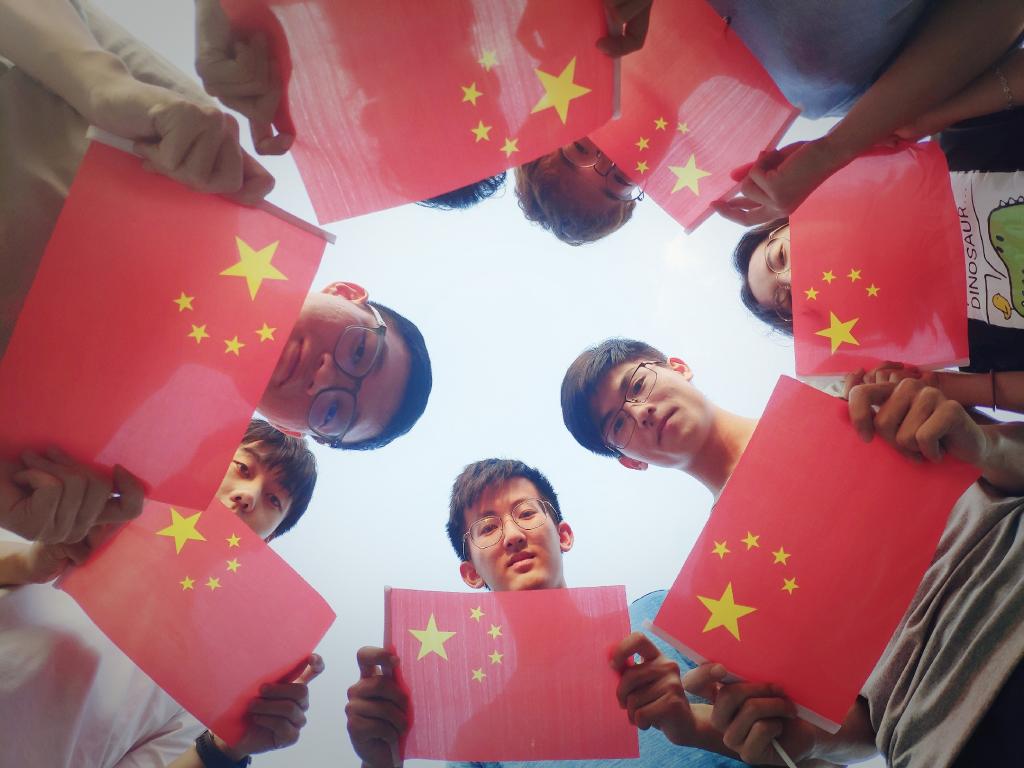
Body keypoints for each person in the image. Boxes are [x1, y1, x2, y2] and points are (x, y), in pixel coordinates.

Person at [561, 337, 1024, 766]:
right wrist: (802, 739)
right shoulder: (712, 599)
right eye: (617, 424)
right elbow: (860, 730)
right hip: (943, 740)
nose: (639, 411)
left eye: (637, 384)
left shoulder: (846, 398)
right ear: (631, 461)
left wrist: (983, 445)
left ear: (679, 367)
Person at [344, 458, 748, 768]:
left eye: (525, 513)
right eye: (487, 528)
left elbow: (784, 734)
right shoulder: (476, 739)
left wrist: (697, 726)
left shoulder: (662, 614)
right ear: (470, 573)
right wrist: (379, 762)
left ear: (564, 534)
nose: (513, 535)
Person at [0, 418, 324, 767]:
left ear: (268, 540)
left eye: (274, 500)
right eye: (242, 468)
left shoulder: (203, 683)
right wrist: (26, 564)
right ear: (201, 467)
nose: (248, 496)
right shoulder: (69, 520)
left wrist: (224, 751)